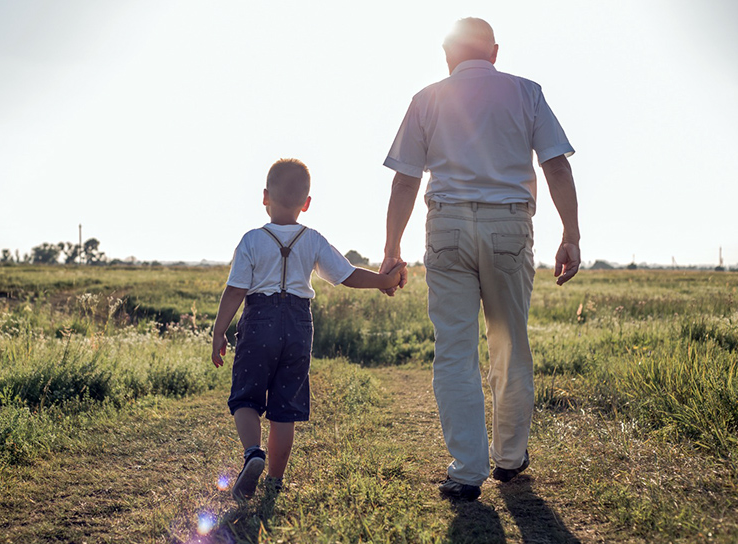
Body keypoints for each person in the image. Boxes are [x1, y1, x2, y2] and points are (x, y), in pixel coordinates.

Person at [380, 18, 581, 501]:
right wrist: (571, 233)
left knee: (454, 350)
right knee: (509, 344)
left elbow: (405, 180)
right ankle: (509, 460)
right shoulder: (527, 93)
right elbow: (555, 163)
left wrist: (391, 249)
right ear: (493, 52)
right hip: (509, 224)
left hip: (447, 224)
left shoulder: (427, 98)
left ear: (447, 54)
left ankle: (467, 471)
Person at [211, 158, 406, 502]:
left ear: (264, 197)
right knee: (285, 407)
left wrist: (219, 331)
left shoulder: (252, 240)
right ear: (307, 203)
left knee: (246, 396)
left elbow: (236, 290)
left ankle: (252, 453)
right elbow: (346, 275)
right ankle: (274, 481)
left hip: (259, 323)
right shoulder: (313, 239)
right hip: (299, 325)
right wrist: (383, 281)